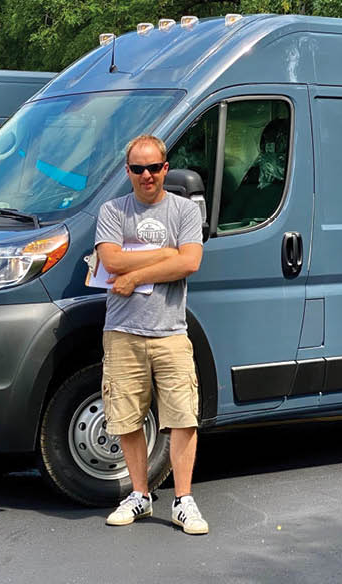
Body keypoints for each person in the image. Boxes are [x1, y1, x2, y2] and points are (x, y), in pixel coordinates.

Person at [93, 134, 208, 535]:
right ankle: (140, 495)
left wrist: (136, 273)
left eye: (154, 167)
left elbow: (190, 261)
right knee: (127, 418)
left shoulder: (184, 210)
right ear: (128, 171)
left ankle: (183, 500)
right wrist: (164, 255)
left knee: (182, 418)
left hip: (171, 331)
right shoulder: (112, 210)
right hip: (122, 330)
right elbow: (110, 259)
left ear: (165, 168)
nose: (146, 175)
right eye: (138, 169)